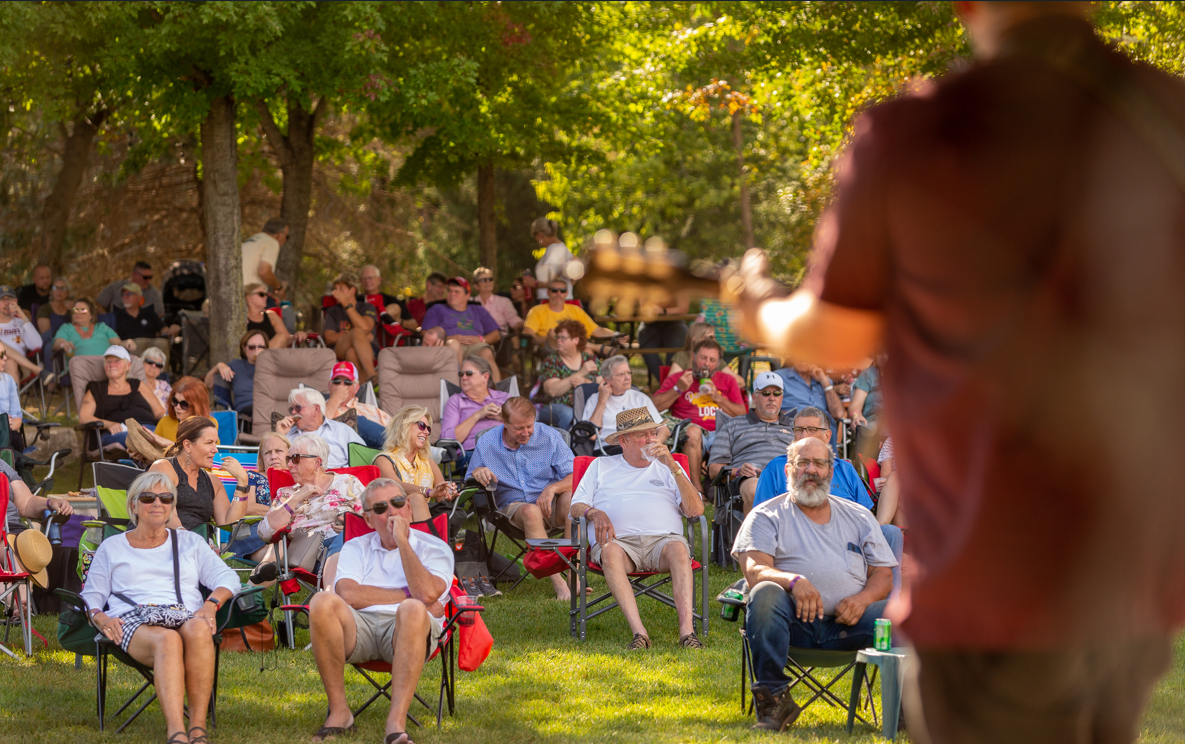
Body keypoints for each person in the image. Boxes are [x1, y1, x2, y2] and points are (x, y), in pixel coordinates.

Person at [727, 5, 1185, 739]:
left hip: (984, 573)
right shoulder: (1165, 113)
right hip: (1124, 572)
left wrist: (757, 307)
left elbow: (833, 337)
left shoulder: (916, 135)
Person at [732, 437, 896, 732]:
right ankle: (775, 702)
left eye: (819, 463)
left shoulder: (858, 516)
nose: (811, 470)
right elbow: (754, 570)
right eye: (802, 463)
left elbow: (883, 575)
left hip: (852, 624)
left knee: (903, 614)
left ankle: (903, 710)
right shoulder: (766, 515)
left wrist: (862, 600)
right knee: (765, 592)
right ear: (788, 471)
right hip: (791, 624)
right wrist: (792, 581)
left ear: (830, 471)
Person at [81, 471, 239, 744]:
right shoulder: (113, 547)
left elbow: (228, 578)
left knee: (200, 629)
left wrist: (211, 604)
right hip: (133, 621)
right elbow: (91, 595)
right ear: (133, 505)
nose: (157, 504)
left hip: (183, 613)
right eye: (148, 497)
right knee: (167, 640)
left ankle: (198, 729)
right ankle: (176, 731)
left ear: (172, 506)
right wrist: (101, 618)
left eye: (166, 498)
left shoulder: (189, 542)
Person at [307, 478, 454, 744]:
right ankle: (340, 713)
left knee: (412, 609)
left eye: (398, 503)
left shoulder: (434, 547)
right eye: (381, 508)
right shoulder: (355, 547)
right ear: (368, 518)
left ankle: (395, 724)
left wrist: (403, 543)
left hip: (410, 631)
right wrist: (408, 593)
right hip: (359, 629)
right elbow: (348, 594)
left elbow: (429, 595)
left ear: (408, 507)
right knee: (321, 602)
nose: (392, 512)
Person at [569, 407, 705, 650]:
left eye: (653, 433)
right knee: (609, 551)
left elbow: (695, 511)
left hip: (663, 543)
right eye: (643, 435)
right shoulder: (601, 466)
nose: (651, 439)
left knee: (678, 548)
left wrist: (673, 466)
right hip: (619, 545)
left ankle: (687, 633)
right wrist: (595, 512)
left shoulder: (669, 467)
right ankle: (640, 634)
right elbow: (576, 507)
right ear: (623, 440)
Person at [467, 397, 575, 599]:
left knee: (570, 498)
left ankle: (572, 574)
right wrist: (479, 471)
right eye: (519, 428)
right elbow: (470, 476)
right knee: (530, 510)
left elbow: (576, 474)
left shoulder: (549, 437)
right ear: (504, 423)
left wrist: (552, 488)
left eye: (529, 426)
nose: (526, 432)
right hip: (512, 508)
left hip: (551, 506)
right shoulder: (488, 442)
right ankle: (559, 585)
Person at [253, 434, 365, 592]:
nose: (290, 465)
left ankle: (331, 598)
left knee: (345, 537)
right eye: (288, 459)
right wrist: (297, 496)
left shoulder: (347, 483)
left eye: (296, 459)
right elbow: (264, 532)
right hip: (314, 554)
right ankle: (331, 597)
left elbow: (372, 517)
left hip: (354, 546)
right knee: (342, 542)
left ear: (317, 462)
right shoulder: (286, 494)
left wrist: (352, 524)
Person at [652, 339, 746, 493]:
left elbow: (742, 414)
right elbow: (653, 407)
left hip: (721, 432)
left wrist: (718, 397)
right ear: (694, 357)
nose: (706, 363)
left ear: (717, 363)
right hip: (691, 433)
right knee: (694, 432)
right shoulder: (679, 378)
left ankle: (719, 484)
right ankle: (696, 488)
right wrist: (678, 389)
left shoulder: (727, 380)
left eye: (712, 360)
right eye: (703, 357)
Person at [707, 372, 798, 514]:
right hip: (750, 478)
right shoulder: (733, 425)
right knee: (755, 490)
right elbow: (713, 470)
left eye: (777, 393)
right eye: (766, 393)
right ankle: (757, 536)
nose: (772, 398)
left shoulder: (796, 426)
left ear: (782, 397)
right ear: (754, 397)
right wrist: (738, 471)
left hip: (788, 477)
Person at [751, 407, 873, 511]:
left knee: (890, 531)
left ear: (827, 436)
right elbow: (762, 515)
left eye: (811, 430)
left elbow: (864, 515)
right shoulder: (775, 468)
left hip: (844, 534)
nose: (803, 436)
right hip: (793, 534)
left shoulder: (845, 469)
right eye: (798, 430)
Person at [146, 417, 251, 534]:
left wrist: (243, 481)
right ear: (187, 445)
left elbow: (231, 524)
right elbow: (166, 515)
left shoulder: (213, 481)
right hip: (163, 542)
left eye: (215, 443)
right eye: (209, 443)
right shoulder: (163, 468)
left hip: (196, 545)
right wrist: (193, 543)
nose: (215, 449)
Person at [374, 406, 456, 522]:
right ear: (404, 427)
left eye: (428, 429)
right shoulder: (384, 460)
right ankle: (428, 538)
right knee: (416, 498)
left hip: (423, 515)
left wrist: (449, 493)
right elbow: (395, 486)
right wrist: (426, 491)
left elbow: (441, 499)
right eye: (421, 426)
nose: (426, 432)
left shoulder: (429, 463)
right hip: (394, 518)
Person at [78, 345, 165, 452]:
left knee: (165, 437)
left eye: (117, 361)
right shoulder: (96, 389)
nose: (112, 365)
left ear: (128, 365)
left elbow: (160, 412)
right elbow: (84, 418)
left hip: (148, 429)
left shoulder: (138, 385)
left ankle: (150, 460)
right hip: (118, 433)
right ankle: (149, 461)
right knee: (137, 439)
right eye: (108, 361)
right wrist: (109, 424)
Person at [581, 355, 668, 453]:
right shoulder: (594, 400)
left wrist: (652, 447)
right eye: (621, 374)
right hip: (608, 450)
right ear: (606, 380)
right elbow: (592, 435)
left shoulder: (640, 398)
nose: (627, 377)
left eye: (628, 372)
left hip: (642, 449)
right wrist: (602, 400)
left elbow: (664, 430)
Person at [422, 277, 502, 380]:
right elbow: (424, 332)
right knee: (454, 345)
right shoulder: (437, 309)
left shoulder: (478, 310)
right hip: (448, 345)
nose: (452, 294)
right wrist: (449, 338)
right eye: (450, 291)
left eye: (457, 292)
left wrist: (480, 339)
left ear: (467, 295)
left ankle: (496, 393)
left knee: (486, 352)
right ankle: (457, 390)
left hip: (475, 345)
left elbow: (496, 334)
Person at [227, 433, 289, 564]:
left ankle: (271, 563)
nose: (273, 456)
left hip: (286, 530)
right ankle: (271, 563)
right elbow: (246, 507)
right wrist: (280, 512)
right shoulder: (252, 477)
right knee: (278, 547)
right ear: (262, 458)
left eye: (278, 451)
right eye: (268, 452)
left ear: (289, 454)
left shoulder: (296, 479)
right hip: (255, 528)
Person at [522, 278, 619, 355]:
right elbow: (528, 333)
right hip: (550, 348)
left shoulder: (576, 310)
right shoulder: (537, 310)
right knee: (561, 337)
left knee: (587, 351)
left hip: (577, 348)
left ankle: (589, 379)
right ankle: (597, 347)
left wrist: (616, 335)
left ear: (566, 293)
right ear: (548, 292)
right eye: (554, 290)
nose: (558, 293)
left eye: (562, 290)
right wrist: (548, 339)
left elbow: (597, 330)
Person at [273, 388, 363, 469]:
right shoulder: (287, 435)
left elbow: (363, 459)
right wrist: (279, 435)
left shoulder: (342, 430)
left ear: (316, 409)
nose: (293, 412)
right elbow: (274, 464)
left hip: (339, 480)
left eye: (298, 408)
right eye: (291, 409)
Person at [534, 319, 598, 430]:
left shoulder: (590, 359)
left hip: (587, 404)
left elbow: (603, 384)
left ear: (576, 340)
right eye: (557, 337)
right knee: (568, 413)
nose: (559, 341)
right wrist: (581, 373)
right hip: (554, 406)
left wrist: (586, 384)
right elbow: (552, 390)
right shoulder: (552, 361)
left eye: (563, 338)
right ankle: (569, 445)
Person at [440, 356, 508, 451]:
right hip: (474, 452)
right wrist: (477, 415)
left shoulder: (505, 398)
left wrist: (503, 417)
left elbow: (524, 428)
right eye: (461, 374)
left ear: (485, 377)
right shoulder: (456, 401)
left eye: (469, 373)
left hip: (506, 448)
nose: (463, 378)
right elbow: (446, 439)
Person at [322, 274, 378, 385]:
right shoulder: (333, 311)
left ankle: (358, 393)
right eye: (335, 288)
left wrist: (347, 306)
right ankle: (372, 376)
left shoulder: (367, 307)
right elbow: (329, 337)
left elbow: (366, 327)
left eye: (341, 288)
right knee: (357, 332)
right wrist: (353, 336)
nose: (336, 292)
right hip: (340, 347)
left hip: (369, 350)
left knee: (352, 352)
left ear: (352, 290)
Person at [1, 453, 73, 538]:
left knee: (31, 547)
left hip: (13, 529)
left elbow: (26, 504)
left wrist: (51, 502)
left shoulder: (2, 466)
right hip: (3, 533)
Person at [323, 361, 389, 450]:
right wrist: (336, 398)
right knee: (356, 420)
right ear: (329, 385)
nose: (341, 386)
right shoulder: (319, 408)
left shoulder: (371, 409)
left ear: (356, 388)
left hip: (379, 454)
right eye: (337, 381)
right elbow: (319, 429)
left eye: (347, 382)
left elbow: (396, 431)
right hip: (344, 453)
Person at [205, 330, 266, 420]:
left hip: (267, 405)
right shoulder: (236, 365)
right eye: (252, 347)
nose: (256, 350)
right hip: (245, 407)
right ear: (244, 347)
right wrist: (218, 366)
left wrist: (265, 362)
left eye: (261, 347)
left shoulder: (271, 367)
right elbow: (208, 384)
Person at [772, 360, 847, 432]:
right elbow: (766, 406)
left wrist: (824, 382)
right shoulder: (778, 377)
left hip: (822, 432)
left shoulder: (822, 380)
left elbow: (839, 414)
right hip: (793, 428)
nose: (802, 359)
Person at [668, 321, 745, 388]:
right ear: (694, 338)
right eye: (710, 337)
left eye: (714, 338)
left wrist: (711, 383)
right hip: (687, 401)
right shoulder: (682, 356)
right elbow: (671, 383)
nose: (714, 341)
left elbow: (741, 382)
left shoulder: (715, 359)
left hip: (711, 402)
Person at [637, 291, 690, 385]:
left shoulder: (679, 283)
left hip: (675, 322)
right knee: (646, 344)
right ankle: (666, 384)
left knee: (676, 347)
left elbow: (683, 309)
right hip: (650, 324)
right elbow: (641, 308)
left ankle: (671, 382)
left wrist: (663, 311)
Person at [111, 282, 171, 359]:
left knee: (162, 343)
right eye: (123, 294)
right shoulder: (117, 316)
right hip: (130, 344)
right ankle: (137, 370)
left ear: (139, 298)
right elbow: (112, 336)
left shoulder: (149, 313)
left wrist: (170, 331)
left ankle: (162, 371)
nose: (125, 297)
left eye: (129, 294)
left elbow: (163, 329)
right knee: (140, 343)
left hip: (151, 342)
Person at [52, 298, 125, 357]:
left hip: (105, 365)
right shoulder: (67, 328)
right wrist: (63, 344)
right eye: (75, 310)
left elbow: (118, 344)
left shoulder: (102, 327)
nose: (78, 313)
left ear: (91, 315)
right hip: (79, 367)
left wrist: (127, 343)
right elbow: (57, 343)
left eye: (83, 310)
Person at [0, 286, 44, 383]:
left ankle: (11, 398)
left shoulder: (21, 322)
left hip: (18, 367)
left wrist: (23, 316)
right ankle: (34, 368)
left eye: (10, 299)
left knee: (10, 362)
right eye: (2, 299)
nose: (7, 302)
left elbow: (37, 345)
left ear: (15, 300)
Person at [97, 261, 164, 316]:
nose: (148, 280)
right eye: (145, 278)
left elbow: (160, 314)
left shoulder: (154, 293)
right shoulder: (115, 288)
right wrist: (107, 319)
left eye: (150, 277)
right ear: (135, 274)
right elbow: (98, 304)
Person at [528, 217, 573, 300]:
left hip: (554, 304)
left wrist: (535, 284)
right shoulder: (559, 249)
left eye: (536, 238)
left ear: (539, 235)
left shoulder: (556, 251)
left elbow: (555, 282)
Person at [241, 217, 288, 296]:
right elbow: (264, 271)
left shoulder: (252, 239)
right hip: (250, 294)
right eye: (287, 236)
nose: (286, 240)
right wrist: (278, 287)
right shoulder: (272, 242)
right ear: (279, 234)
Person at [472, 266, 522, 334]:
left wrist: (521, 325)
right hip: (475, 339)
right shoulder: (470, 302)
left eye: (490, 279)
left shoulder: (504, 302)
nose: (488, 282)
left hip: (499, 341)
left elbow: (514, 320)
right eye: (483, 280)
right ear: (476, 286)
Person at [244, 282, 290, 349]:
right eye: (261, 294)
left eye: (266, 294)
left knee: (281, 337)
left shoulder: (271, 316)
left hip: (270, 357)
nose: (266, 297)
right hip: (248, 356)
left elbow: (287, 339)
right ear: (248, 298)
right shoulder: (240, 319)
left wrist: (298, 336)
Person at [848, 356, 884, 429]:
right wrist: (856, 415)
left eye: (886, 351)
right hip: (872, 423)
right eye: (880, 352)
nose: (882, 355)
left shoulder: (907, 374)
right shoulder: (868, 373)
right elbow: (855, 405)